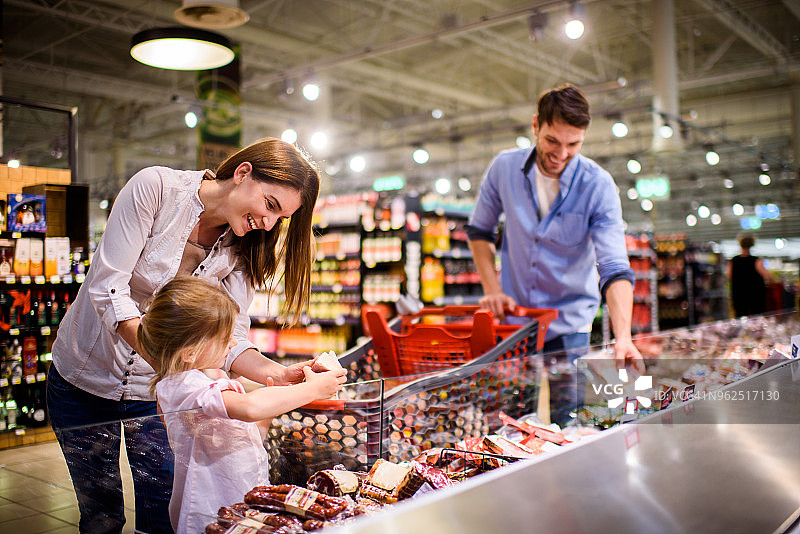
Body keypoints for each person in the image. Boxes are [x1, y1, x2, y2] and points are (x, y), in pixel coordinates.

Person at [46, 137, 330, 533]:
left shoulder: (246, 247)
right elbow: (108, 287)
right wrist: (170, 359)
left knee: (162, 509)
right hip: (83, 378)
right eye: (270, 205)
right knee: (102, 516)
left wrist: (274, 373)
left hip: (157, 396)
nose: (268, 223)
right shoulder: (157, 189)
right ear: (243, 173)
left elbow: (230, 337)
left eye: (279, 218)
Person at [466, 84, 644, 424]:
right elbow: (480, 231)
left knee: (569, 421)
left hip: (570, 323)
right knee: (511, 421)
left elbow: (614, 267)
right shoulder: (504, 169)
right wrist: (492, 289)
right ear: (536, 126)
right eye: (552, 141)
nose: (561, 154)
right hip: (515, 322)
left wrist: (623, 338)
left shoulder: (598, 185)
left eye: (573, 144)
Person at [139, 276, 346, 534]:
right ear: (190, 352)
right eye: (225, 337)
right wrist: (313, 389)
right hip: (210, 512)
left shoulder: (206, 379)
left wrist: (278, 397)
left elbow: (246, 427)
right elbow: (249, 409)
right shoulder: (184, 387)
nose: (234, 343)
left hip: (239, 502)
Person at [727, 232, 776, 317]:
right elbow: (768, 276)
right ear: (752, 245)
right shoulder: (756, 261)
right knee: (757, 319)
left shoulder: (733, 260)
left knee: (741, 319)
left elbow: (729, 275)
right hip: (755, 297)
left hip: (738, 297)